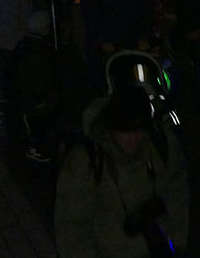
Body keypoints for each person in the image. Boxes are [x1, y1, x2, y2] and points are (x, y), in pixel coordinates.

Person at [55, 86, 189, 257]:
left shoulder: (161, 144)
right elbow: (71, 227)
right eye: (125, 131)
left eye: (138, 130)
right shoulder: (87, 161)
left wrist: (177, 245)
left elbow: (178, 196)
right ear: (111, 127)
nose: (133, 138)